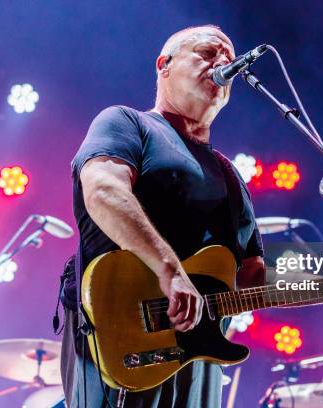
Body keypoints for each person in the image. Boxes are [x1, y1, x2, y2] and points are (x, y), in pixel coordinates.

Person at [60, 25, 265, 408]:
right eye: (207, 52)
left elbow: (253, 275)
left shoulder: (230, 176)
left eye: (229, 58)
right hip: (118, 338)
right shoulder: (126, 123)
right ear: (164, 65)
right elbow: (104, 192)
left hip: (199, 355)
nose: (224, 62)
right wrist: (170, 271)